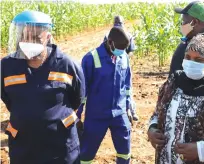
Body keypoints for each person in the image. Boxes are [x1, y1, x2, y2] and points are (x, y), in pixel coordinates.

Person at [1, 10, 85, 164]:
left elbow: (77, 99)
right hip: (23, 150)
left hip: (61, 149)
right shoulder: (7, 66)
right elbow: (7, 98)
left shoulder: (67, 65)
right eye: (24, 38)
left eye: (35, 38)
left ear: (47, 37)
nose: (28, 43)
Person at [147, 35, 204, 164]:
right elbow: (157, 112)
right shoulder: (173, 84)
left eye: (199, 60)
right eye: (187, 57)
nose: (191, 63)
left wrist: (201, 151)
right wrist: (152, 129)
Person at [77, 27, 132, 164]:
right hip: (97, 115)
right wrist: (77, 114)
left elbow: (127, 85)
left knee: (125, 152)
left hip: (119, 114)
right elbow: (82, 90)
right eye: (119, 48)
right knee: (86, 153)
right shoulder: (90, 58)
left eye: (124, 49)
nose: (121, 52)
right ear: (110, 42)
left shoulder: (123, 56)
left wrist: (129, 106)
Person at [104, 15, 138, 121]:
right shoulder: (128, 34)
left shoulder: (108, 35)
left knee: (121, 87)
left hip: (115, 64)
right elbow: (131, 51)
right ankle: (130, 111)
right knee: (127, 87)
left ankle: (127, 110)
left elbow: (106, 50)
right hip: (122, 65)